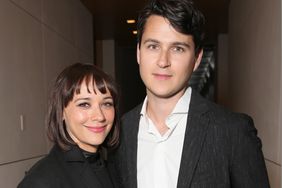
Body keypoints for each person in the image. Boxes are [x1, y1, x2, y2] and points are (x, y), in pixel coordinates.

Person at [113, 0, 270, 187]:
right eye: (153, 46)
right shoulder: (119, 131)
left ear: (197, 59)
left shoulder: (233, 131)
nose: (163, 61)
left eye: (177, 48)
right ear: (139, 52)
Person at [18, 63, 120, 188]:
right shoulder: (41, 180)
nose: (100, 116)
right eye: (84, 104)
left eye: (107, 104)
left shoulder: (113, 169)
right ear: (61, 112)